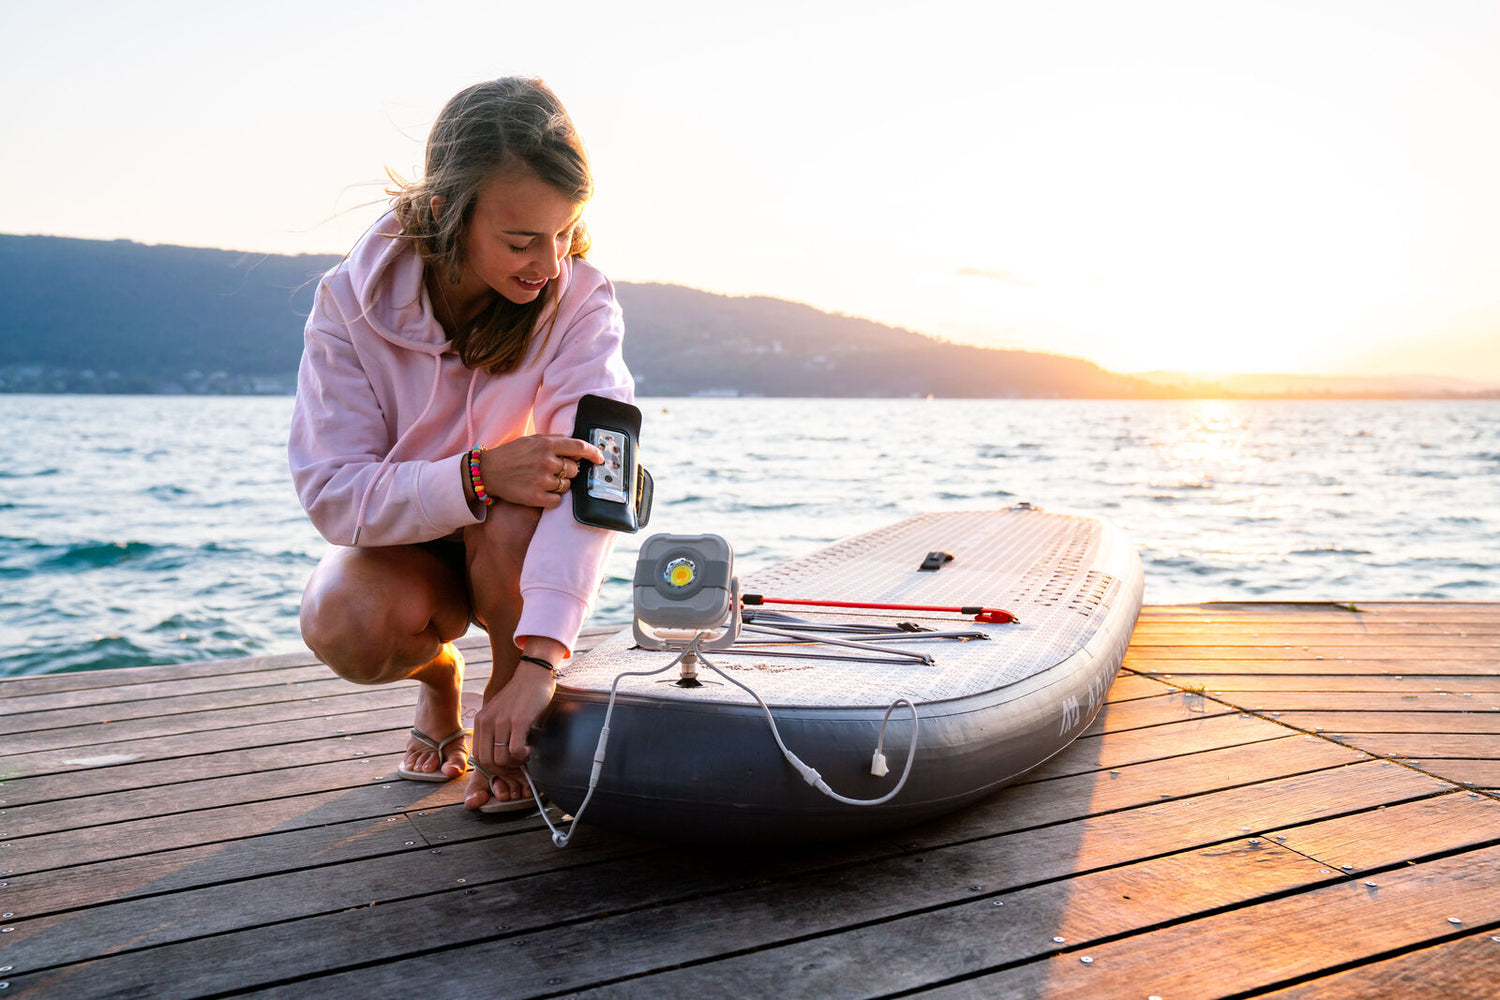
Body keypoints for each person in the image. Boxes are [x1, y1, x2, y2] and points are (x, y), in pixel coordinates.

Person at [289, 77, 632, 814]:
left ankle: (510, 718)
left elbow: (600, 474)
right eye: (520, 241)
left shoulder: (578, 299)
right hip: (408, 540)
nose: (548, 265)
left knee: (516, 507)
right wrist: (475, 475)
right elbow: (331, 493)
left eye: (564, 233)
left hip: (514, 543)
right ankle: (442, 681)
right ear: (446, 210)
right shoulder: (348, 305)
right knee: (342, 623)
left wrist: (540, 660)